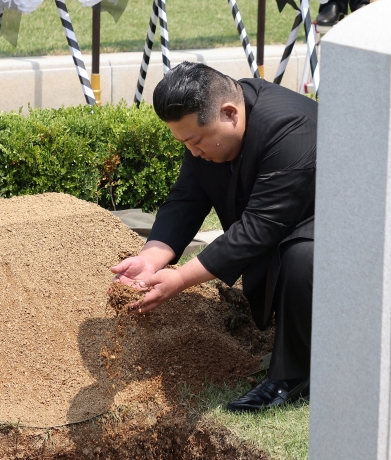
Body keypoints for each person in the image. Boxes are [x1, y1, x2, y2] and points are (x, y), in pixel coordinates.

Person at [110, 62, 316, 412]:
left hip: (353, 231)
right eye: (184, 143)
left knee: (303, 261)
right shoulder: (210, 126)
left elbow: (259, 228)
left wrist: (180, 279)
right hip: (290, 222)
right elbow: (188, 198)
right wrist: (150, 259)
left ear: (230, 113)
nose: (193, 152)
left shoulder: (290, 127)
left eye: (196, 141)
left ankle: (293, 374)